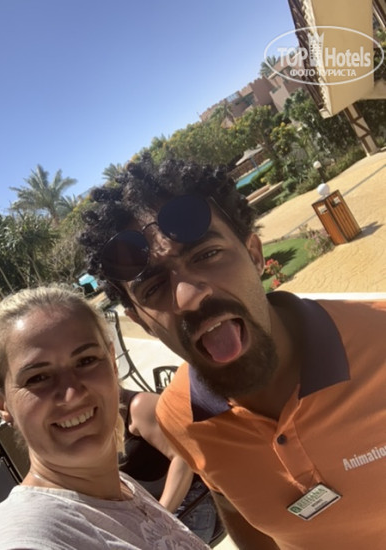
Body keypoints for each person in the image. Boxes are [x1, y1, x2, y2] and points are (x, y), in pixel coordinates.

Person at [80, 155, 386, 550]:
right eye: (153, 288)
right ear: (141, 322)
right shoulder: (178, 417)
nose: (188, 296)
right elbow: (232, 503)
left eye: (206, 255)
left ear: (254, 254)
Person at [0, 286, 209, 550]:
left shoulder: (122, 489)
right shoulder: (28, 535)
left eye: (86, 361)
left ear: (112, 363)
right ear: (1, 403)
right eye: (38, 378)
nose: (72, 394)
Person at [119, 387, 219, 543]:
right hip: (153, 513)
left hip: (191, 504)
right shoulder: (102, 426)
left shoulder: (139, 407)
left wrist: (158, 518)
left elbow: (183, 458)